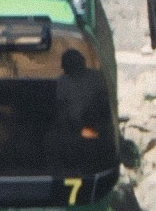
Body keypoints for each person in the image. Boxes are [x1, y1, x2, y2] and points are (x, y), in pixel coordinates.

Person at [48, 45, 113, 179]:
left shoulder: (96, 79)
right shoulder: (63, 82)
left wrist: (95, 124)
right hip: (71, 126)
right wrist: (71, 127)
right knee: (53, 140)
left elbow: (104, 103)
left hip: (93, 123)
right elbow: (62, 108)